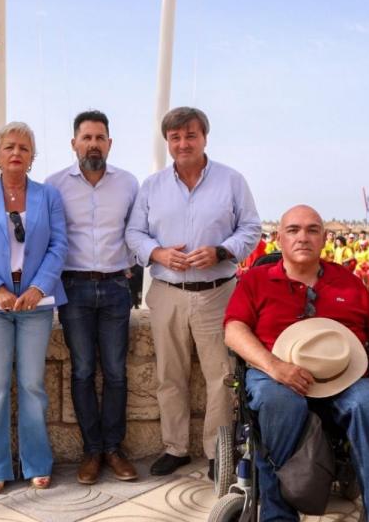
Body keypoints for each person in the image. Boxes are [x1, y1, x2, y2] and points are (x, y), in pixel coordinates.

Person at [224, 205, 369, 522]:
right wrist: (274, 366)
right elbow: (234, 330)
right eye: (293, 230)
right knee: (278, 401)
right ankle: (278, 515)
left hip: (342, 378)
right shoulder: (256, 280)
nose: (303, 237)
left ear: (324, 238)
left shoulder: (348, 282)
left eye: (312, 230)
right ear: (279, 237)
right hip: (275, 374)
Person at [126, 106, 261, 477]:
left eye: (190, 135)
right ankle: (175, 447)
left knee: (221, 376)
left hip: (218, 293)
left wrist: (221, 250)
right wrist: (158, 253)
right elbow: (134, 233)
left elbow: (251, 228)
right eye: (175, 137)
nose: (183, 143)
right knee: (169, 374)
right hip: (166, 292)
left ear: (204, 138)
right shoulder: (151, 186)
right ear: (167, 141)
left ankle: (218, 453)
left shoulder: (232, 181)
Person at [0, 121, 68, 495]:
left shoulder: (48, 196)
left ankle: (37, 461)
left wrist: (38, 287)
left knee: (33, 385)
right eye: (9, 147)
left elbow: (59, 246)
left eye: (23, 147)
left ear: (32, 157)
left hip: (37, 303)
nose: (16, 153)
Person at [45, 110, 140, 485]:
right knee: (83, 371)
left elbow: (137, 231)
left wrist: (131, 268)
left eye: (100, 137)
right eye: (86, 138)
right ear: (74, 143)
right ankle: (91, 450)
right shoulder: (55, 186)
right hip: (75, 288)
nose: (93, 144)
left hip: (117, 287)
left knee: (116, 372)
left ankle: (114, 449)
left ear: (110, 143)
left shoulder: (129, 184)